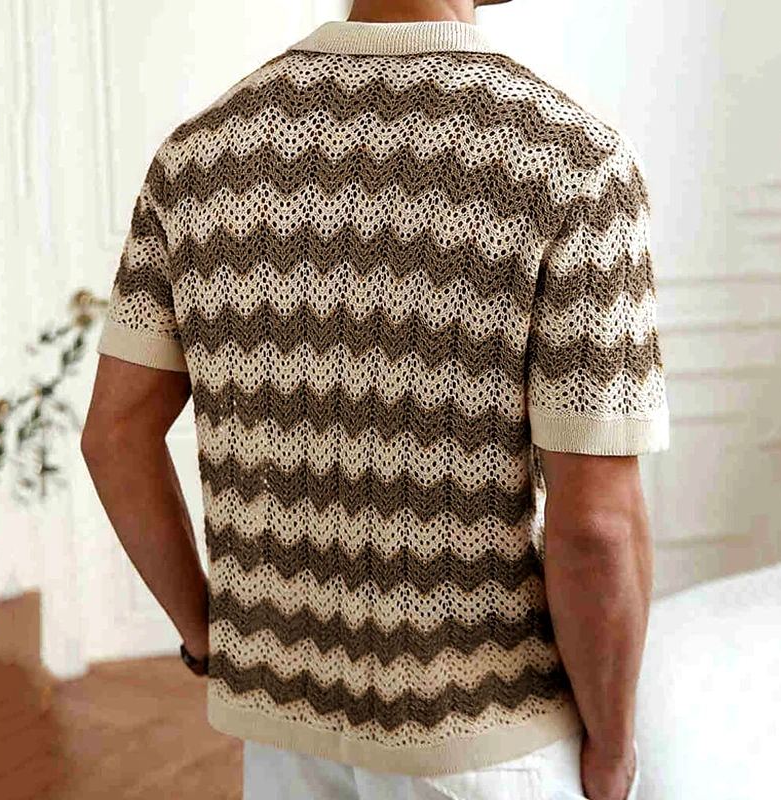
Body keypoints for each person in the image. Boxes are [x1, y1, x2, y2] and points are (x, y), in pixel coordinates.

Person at [81, 1, 668, 798]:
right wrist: (615, 743)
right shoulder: (573, 162)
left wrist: (207, 638)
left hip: (281, 732)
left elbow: (114, 436)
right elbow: (597, 527)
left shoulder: (198, 157)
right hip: (484, 744)